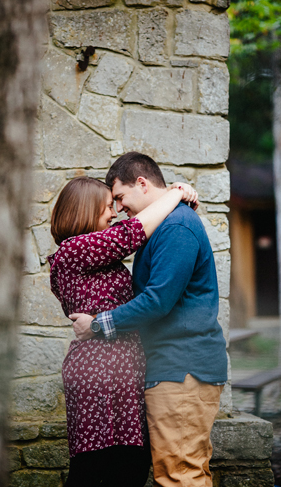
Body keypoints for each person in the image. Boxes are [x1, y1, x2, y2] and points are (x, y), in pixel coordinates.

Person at [69, 152, 228, 487]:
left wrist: (98, 324)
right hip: (170, 368)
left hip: (181, 368)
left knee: (180, 475)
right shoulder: (162, 227)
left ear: (141, 183)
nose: (119, 209)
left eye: (121, 197)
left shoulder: (177, 226)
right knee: (174, 472)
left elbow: (158, 301)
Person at [48, 176, 197, 487]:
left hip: (120, 369)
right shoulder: (73, 251)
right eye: (106, 207)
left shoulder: (93, 255)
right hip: (97, 370)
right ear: (84, 211)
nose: (114, 213)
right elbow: (131, 234)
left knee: (128, 465)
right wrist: (176, 193)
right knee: (95, 467)